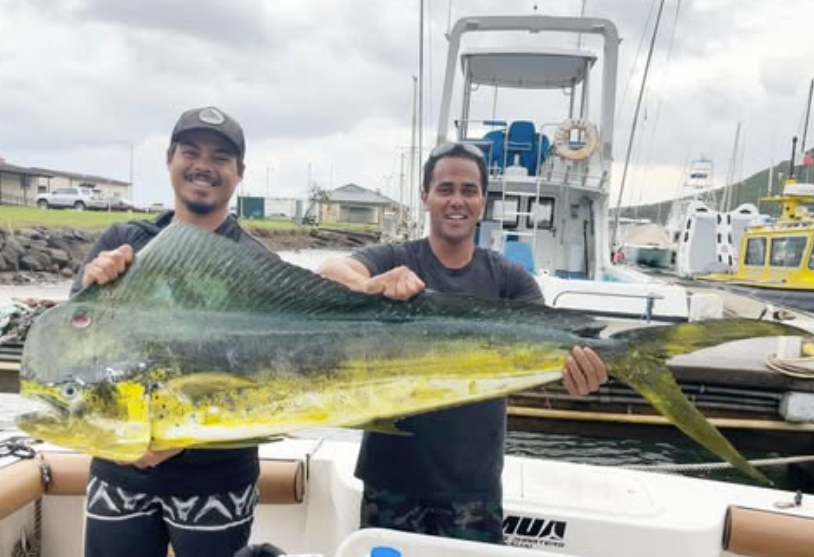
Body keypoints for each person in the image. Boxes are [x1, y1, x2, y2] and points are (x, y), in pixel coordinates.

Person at [320, 142, 608, 544]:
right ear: (426, 197)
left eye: (469, 190)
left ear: (483, 201)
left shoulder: (511, 281)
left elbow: (552, 354)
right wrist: (370, 284)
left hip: (474, 489)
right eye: (446, 189)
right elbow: (331, 270)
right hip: (390, 481)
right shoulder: (394, 258)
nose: (457, 200)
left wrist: (580, 377)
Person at [74, 106, 274, 557]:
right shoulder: (124, 243)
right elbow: (78, 348)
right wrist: (90, 290)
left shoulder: (257, 265)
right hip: (118, 471)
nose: (204, 164)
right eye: (191, 151)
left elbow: (266, 374)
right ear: (169, 161)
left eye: (221, 157)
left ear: (239, 174)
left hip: (217, 480)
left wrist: (181, 437)